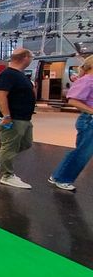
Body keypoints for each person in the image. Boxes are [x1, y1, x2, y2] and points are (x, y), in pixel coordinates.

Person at [0, 48, 36, 189]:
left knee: (26, 143)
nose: (32, 60)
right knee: (10, 146)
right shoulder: (8, 74)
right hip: (10, 118)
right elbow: (0, 95)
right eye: (31, 57)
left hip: (23, 117)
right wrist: (6, 115)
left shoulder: (19, 75)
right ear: (25, 57)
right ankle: (7, 175)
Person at [48, 55, 93, 191]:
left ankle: (58, 176)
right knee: (83, 152)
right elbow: (73, 100)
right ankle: (62, 178)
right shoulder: (87, 80)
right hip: (89, 121)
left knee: (82, 151)